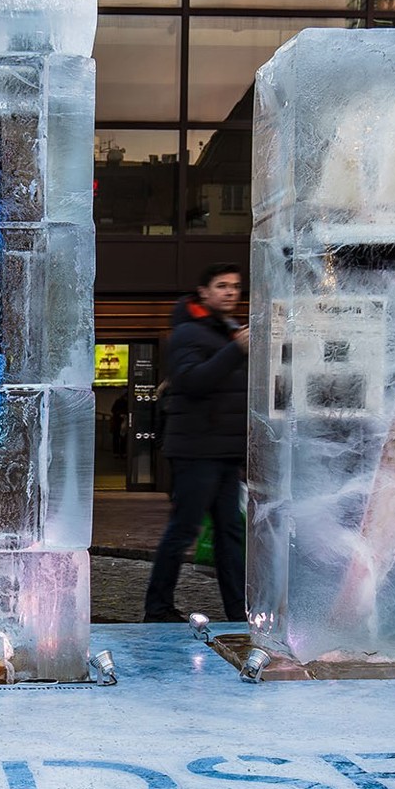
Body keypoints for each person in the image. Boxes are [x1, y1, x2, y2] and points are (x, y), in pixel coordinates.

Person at [145, 265, 249, 623]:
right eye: (222, 286)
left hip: (224, 452)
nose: (230, 292)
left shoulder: (229, 332)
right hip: (196, 451)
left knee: (229, 535)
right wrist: (235, 351)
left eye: (235, 286)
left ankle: (239, 611)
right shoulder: (189, 333)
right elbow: (191, 382)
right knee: (184, 529)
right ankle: (157, 608)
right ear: (203, 292)